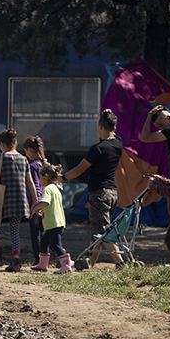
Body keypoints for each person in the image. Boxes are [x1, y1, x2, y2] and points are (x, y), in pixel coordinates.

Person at [65, 109, 125, 267]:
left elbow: (79, 169)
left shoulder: (97, 149)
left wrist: (63, 177)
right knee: (97, 229)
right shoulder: (118, 143)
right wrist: (109, 114)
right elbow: (114, 133)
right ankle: (90, 262)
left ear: (100, 127)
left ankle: (121, 264)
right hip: (112, 192)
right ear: (114, 127)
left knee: (103, 232)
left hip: (99, 193)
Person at [0, 129, 36, 271]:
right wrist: (35, 201)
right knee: (14, 229)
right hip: (20, 200)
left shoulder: (0, 158)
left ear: (2, 144)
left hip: (3, 199)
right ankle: (16, 260)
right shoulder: (24, 159)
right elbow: (30, 182)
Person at [30, 163, 70, 273]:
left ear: (45, 176)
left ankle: (66, 266)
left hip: (53, 222)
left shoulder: (47, 189)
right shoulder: (55, 188)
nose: (38, 180)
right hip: (55, 222)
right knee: (44, 243)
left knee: (56, 245)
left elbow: (45, 202)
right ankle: (42, 265)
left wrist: (35, 208)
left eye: (39, 177)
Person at [23, 135, 46, 263]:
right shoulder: (43, 164)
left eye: (26, 151)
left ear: (30, 149)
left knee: (35, 233)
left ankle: (38, 259)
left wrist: (35, 204)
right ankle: (46, 257)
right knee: (44, 232)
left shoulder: (32, 166)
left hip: (36, 203)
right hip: (46, 202)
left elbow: (35, 185)